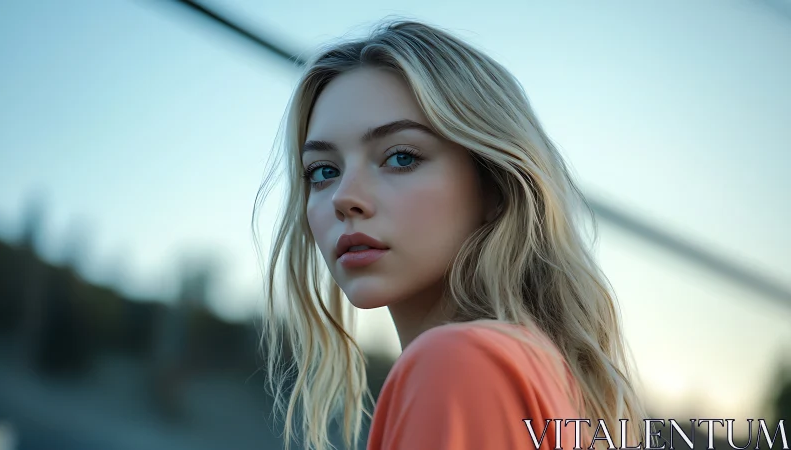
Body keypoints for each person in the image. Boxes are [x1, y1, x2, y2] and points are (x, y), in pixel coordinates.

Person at [254, 19, 650, 450]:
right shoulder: (548, 379)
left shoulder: (456, 363)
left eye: (401, 157)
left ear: (495, 186)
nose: (344, 197)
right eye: (323, 171)